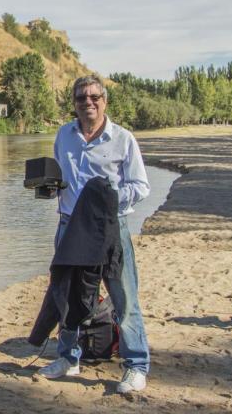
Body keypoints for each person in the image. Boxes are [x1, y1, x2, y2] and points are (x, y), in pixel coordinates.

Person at [38, 75, 151, 394]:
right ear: (73, 103)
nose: (88, 102)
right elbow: (61, 180)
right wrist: (47, 188)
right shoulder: (64, 135)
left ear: (105, 101)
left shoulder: (123, 139)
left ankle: (136, 366)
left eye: (94, 97)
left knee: (123, 297)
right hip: (69, 226)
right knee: (66, 295)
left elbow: (142, 187)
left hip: (110, 226)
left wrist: (109, 196)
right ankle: (68, 358)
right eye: (81, 98)